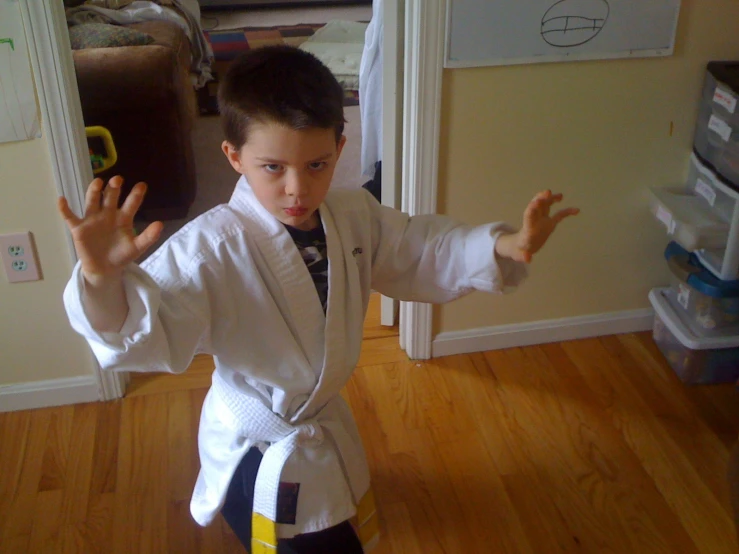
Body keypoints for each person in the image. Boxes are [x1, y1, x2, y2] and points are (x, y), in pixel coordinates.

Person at [58, 45, 579, 553]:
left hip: (314, 422)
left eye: (316, 165)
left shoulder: (354, 215)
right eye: (272, 168)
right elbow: (143, 330)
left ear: (340, 149)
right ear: (234, 156)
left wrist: (504, 246)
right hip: (258, 441)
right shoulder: (211, 247)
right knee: (288, 535)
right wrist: (103, 281)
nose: (296, 190)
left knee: (322, 526)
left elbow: (421, 248)